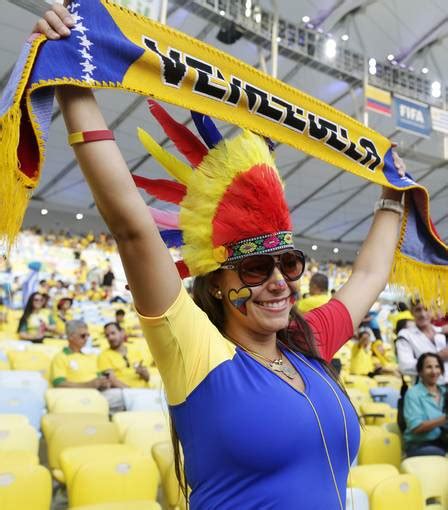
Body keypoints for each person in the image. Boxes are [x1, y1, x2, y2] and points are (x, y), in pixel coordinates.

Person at [35, 6, 408, 508]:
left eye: (289, 264)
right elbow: (132, 229)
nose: (279, 281)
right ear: (216, 283)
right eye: (256, 268)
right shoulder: (198, 353)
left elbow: (369, 273)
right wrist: (71, 80)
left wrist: (394, 193)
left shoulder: (308, 342)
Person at [403, 353, 447, 457]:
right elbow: (416, 427)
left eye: (437, 367)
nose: (434, 371)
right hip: (419, 446)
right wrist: (444, 419)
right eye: (429, 367)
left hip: (443, 441)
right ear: (420, 371)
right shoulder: (413, 394)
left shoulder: (445, 391)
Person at [396, 300, 448, 382]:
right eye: (418, 310)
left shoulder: (441, 333)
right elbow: (405, 366)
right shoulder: (406, 335)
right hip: (427, 391)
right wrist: (439, 356)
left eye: (426, 309)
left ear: (433, 310)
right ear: (411, 312)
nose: (423, 314)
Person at [50, 320, 110, 389]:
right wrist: (88, 385)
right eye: (83, 336)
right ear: (70, 337)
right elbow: (59, 383)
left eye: (88, 335)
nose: (86, 339)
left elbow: (99, 378)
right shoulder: (60, 357)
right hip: (78, 396)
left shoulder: (91, 356)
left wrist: (103, 383)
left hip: (98, 393)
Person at [98, 322, 150, 388]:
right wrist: (132, 392)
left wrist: (143, 372)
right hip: (126, 393)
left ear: (122, 333)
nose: (110, 338)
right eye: (107, 335)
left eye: (113, 333)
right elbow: (111, 380)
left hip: (147, 390)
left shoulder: (135, 349)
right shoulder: (103, 356)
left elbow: (147, 378)